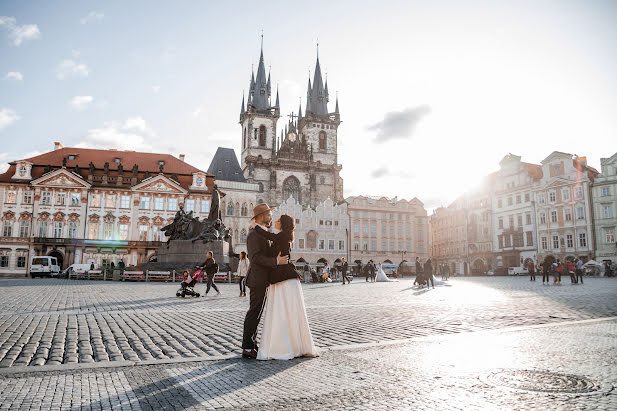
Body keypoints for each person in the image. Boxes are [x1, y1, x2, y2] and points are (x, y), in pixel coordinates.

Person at [251, 214, 319, 361]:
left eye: (277, 220)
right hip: (285, 278)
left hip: (283, 278)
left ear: (282, 224)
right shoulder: (285, 236)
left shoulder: (281, 236)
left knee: (283, 312)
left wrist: (255, 227)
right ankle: (295, 345)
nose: (274, 221)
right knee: (290, 313)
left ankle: (285, 347)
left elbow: (268, 236)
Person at [242, 203, 289, 359]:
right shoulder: (254, 235)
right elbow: (255, 258)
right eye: (269, 214)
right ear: (262, 216)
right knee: (254, 312)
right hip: (257, 279)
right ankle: (247, 347)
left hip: (262, 279)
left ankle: (252, 344)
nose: (271, 217)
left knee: (257, 312)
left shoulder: (261, 232)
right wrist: (276, 262)